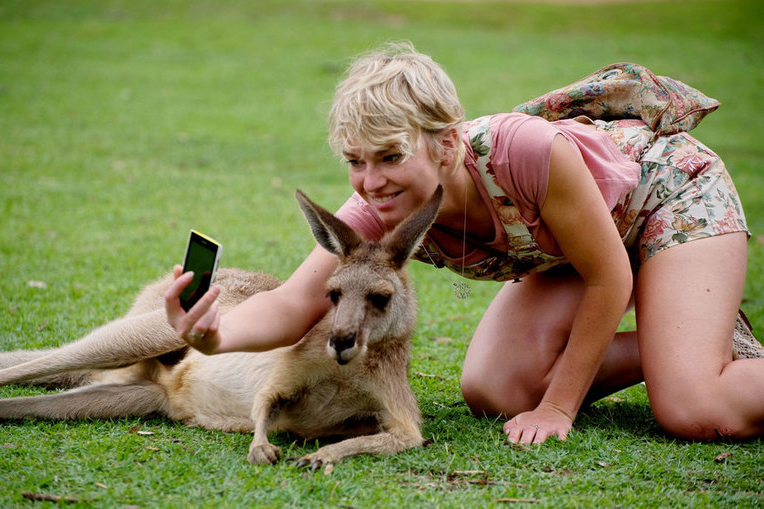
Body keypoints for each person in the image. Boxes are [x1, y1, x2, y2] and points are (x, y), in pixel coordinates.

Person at [163, 42, 764, 444]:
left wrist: (558, 409)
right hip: (568, 251)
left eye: (391, 157)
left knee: (693, 407)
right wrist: (208, 336)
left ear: (446, 144)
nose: (372, 182)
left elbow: (610, 276)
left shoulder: (524, 152)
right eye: (355, 162)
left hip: (665, 200)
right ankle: (689, 341)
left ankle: (692, 356)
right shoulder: (379, 210)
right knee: (494, 391)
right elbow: (290, 306)